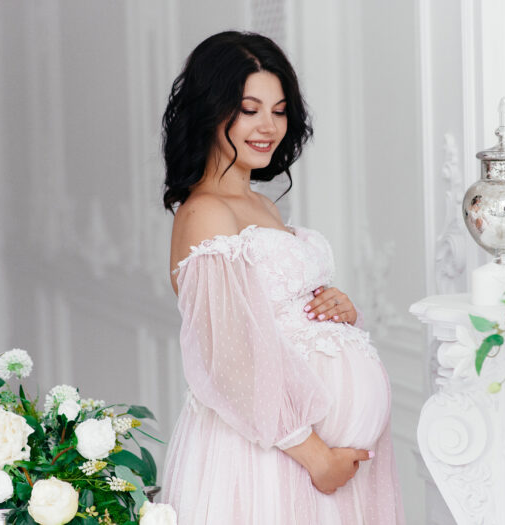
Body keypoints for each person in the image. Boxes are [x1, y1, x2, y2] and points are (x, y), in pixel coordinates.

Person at [161, 31, 404, 524]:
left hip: (312, 461)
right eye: (249, 109)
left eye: (279, 109)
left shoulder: (260, 205)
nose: (267, 126)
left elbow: (282, 318)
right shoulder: (206, 213)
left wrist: (338, 314)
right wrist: (318, 459)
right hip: (272, 458)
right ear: (212, 111)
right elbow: (229, 359)